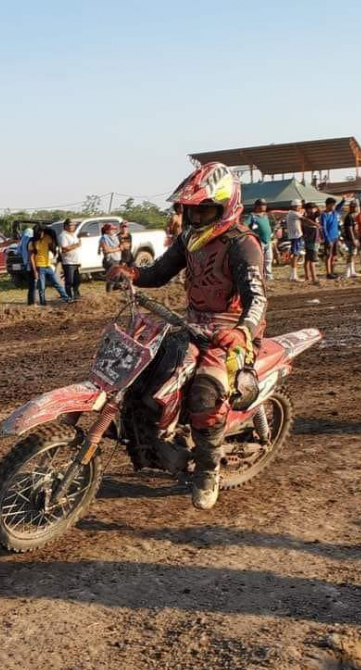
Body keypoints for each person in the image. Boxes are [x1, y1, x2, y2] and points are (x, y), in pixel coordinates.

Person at [106, 162, 267, 511]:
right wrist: (130, 273)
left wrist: (242, 331)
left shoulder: (242, 245)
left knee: (204, 393)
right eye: (190, 210)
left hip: (231, 333)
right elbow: (159, 272)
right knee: (143, 370)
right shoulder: (188, 239)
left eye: (204, 209)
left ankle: (208, 470)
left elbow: (258, 298)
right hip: (192, 325)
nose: (196, 217)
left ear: (226, 206)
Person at [32, 226, 69, 304]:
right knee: (42, 287)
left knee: (56, 283)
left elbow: (52, 240)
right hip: (40, 266)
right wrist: (35, 270)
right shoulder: (34, 242)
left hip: (48, 265)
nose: (42, 234)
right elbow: (32, 257)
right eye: (40, 233)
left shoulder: (46, 238)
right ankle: (42, 302)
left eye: (43, 232)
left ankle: (66, 298)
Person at [243, 199, 274, 280]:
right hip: (258, 241)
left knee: (269, 259)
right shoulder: (252, 216)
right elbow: (244, 225)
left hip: (268, 240)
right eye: (262, 205)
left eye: (265, 204)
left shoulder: (265, 215)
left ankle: (268, 275)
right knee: (260, 259)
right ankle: (261, 275)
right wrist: (251, 234)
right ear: (257, 206)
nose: (264, 206)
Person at [58, 219, 82, 300]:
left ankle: (76, 295)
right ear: (66, 226)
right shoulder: (63, 236)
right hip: (68, 262)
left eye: (74, 225)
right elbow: (64, 249)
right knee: (69, 281)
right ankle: (68, 297)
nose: (73, 227)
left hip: (76, 261)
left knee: (77, 280)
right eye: (71, 225)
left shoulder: (74, 235)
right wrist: (76, 245)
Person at [318, 197, 342, 279]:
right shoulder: (324, 215)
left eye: (334, 205)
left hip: (336, 237)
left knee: (334, 256)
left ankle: (332, 271)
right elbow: (323, 228)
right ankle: (328, 273)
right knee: (328, 255)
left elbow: (339, 206)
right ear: (327, 205)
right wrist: (327, 239)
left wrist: (343, 200)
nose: (333, 206)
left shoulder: (335, 213)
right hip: (329, 238)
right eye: (331, 205)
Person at [285, 199, 305, 282]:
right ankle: (294, 275)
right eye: (299, 206)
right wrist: (316, 224)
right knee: (295, 255)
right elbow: (305, 219)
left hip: (295, 236)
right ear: (295, 206)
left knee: (295, 255)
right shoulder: (294, 213)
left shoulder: (291, 213)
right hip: (296, 236)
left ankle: (292, 274)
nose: (300, 207)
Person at [99, 223, 123, 291]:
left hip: (117, 259)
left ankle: (113, 290)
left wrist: (113, 249)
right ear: (106, 230)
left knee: (117, 276)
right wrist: (117, 249)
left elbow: (122, 247)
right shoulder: (103, 238)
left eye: (114, 229)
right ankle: (109, 294)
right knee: (113, 277)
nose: (114, 230)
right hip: (109, 259)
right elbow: (106, 250)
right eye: (111, 229)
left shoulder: (116, 237)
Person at [18, 226, 36, 305]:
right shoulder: (31, 240)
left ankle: (30, 301)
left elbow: (18, 251)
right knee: (33, 285)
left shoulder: (22, 241)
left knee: (31, 285)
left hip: (26, 264)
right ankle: (32, 302)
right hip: (31, 264)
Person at [341, 200, 359, 278]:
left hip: (355, 237)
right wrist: (353, 239)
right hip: (350, 238)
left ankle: (352, 271)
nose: (355, 208)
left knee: (353, 254)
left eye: (355, 206)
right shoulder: (349, 217)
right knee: (351, 254)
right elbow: (350, 229)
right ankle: (347, 272)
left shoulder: (355, 215)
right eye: (353, 206)